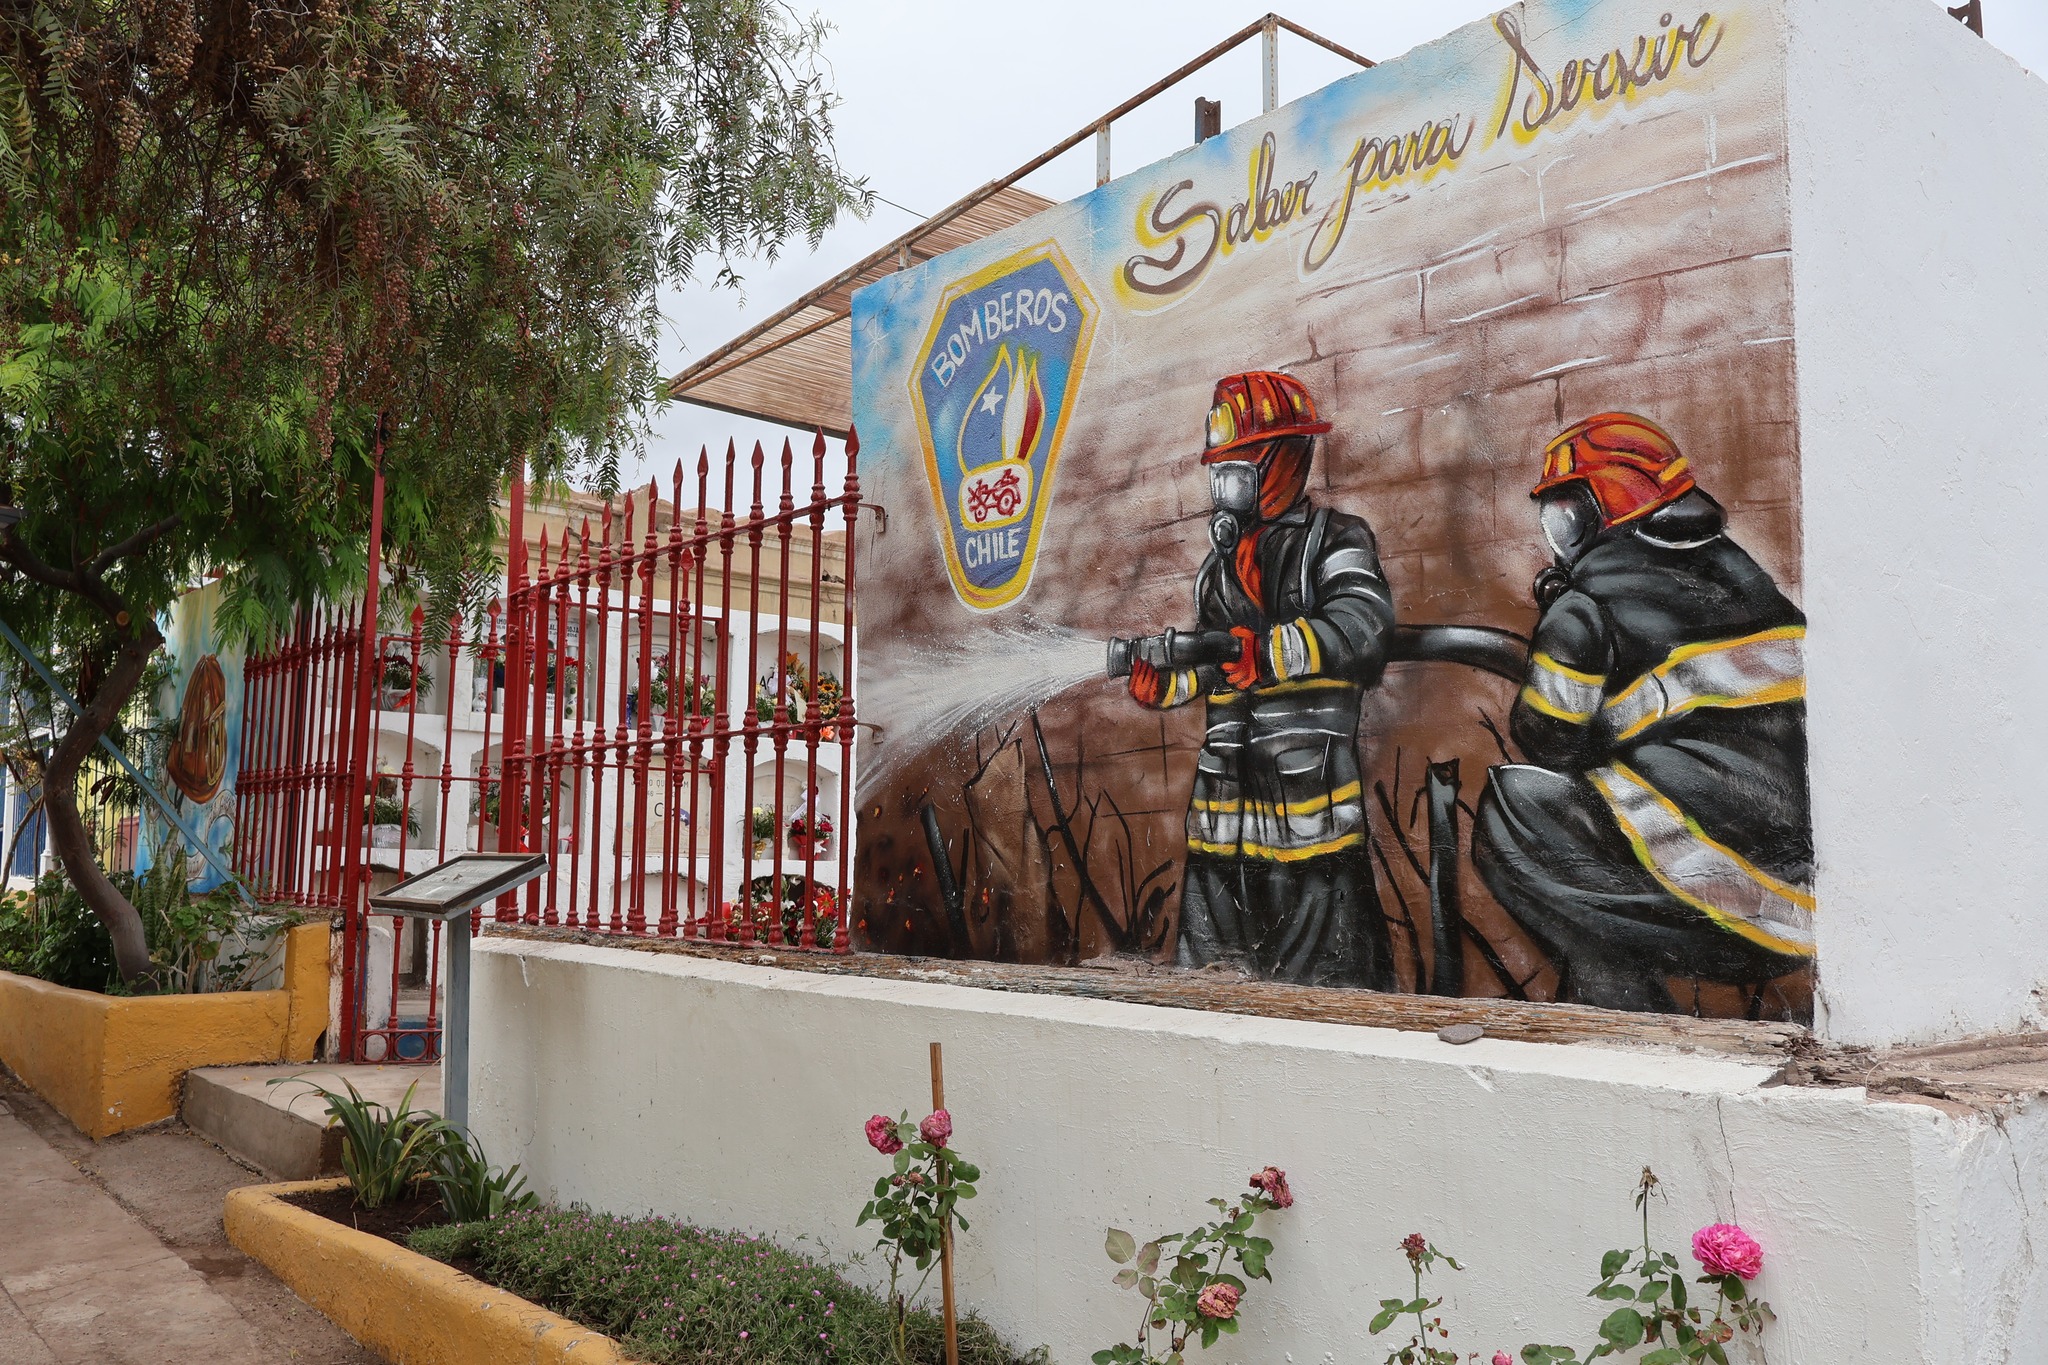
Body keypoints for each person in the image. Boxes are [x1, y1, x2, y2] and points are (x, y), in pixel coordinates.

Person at [1473, 413, 1813, 1013]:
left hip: (1717, 893)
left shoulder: (1587, 607)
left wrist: (1561, 626)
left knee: (1516, 807)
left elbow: (1546, 742)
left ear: (1586, 513)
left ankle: (1624, 1011)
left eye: (1561, 512)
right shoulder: (1750, 582)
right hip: (1811, 901)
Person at [1126, 371, 1396, 988]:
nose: (1224, 486)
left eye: (1237, 468)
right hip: (1221, 835)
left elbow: (1364, 626)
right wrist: (1163, 686)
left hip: (1312, 834)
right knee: (1205, 996)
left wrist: (1270, 654)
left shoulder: (1334, 540)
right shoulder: (1216, 570)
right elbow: (1212, 671)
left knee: (1333, 1004)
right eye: (1218, 470)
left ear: (1282, 462)